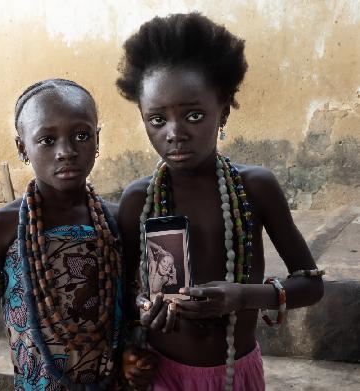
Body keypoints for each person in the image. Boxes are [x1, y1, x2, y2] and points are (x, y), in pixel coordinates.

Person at [116, 13, 324, 391]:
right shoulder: (138, 199)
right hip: (159, 375)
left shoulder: (255, 188)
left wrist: (244, 296)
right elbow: (121, 295)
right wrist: (144, 309)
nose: (175, 134)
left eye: (193, 115)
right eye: (157, 119)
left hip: (234, 375)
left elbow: (310, 285)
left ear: (223, 110)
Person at [0, 78, 156, 390]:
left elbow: (129, 303)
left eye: (81, 136)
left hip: (109, 381)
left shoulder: (115, 220)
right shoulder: (1, 225)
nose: (66, 151)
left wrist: (133, 351)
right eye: (47, 140)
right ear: (21, 147)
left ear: (97, 139)